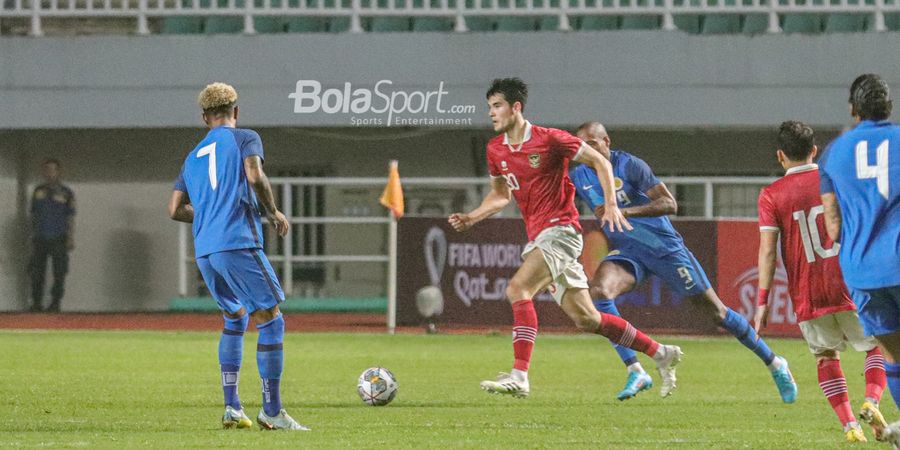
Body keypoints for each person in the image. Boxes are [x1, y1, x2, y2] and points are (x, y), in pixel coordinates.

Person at [448, 78, 683, 399]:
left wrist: (612, 204)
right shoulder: (496, 150)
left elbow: (599, 160)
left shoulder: (550, 139)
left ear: (516, 108)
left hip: (561, 231)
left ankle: (519, 375)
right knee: (588, 318)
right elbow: (500, 196)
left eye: (497, 106)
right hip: (540, 236)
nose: (491, 113)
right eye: (489, 107)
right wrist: (472, 217)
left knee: (518, 288)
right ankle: (659, 353)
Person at [570, 122, 798, 403]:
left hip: (666, 250)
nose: (585, 151)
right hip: (629, 252)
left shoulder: (630, 165)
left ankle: (775, 362)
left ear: (606, 141)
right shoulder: (579, 174)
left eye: (591, 144)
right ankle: (636, 369)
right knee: (599, 293)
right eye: (580, 147)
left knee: (717, 313)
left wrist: (625, 211)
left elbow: (669, 204)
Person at [168, 82, 307, 431]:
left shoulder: (192, 155)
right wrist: (273, 211)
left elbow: (174, 209)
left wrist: (208, 213)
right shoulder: (245, 136)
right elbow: (254, 174)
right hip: (237, 242)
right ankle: (272, 411)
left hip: (205, 250)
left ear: (204, 118)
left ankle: (232, 407)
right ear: (236, 111)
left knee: (235, 317)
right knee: (271, 319)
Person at [756, 121, 886, 442]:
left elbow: (769, 251)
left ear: (780, 156)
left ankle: (849, 425)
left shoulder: (771, 195)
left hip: (809, 292)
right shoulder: (838, 180)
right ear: (814, 150)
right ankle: (871, 399)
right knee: (877, 346)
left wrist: (762, 302)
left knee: (826, 356)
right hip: (850, 283)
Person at [819, 74, 900, 444]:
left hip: (863, 272)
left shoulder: (834, 153)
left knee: (895, 356)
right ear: (890, 108)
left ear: (854, 111)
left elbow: (833, 227)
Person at [29, 158, 75, 313]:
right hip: (40, 237)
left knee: (59, 272)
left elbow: (70, 216)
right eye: (47, 169)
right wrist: (32, 235)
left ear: (58, 172)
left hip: (59, 238)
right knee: (36, 272)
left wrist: (70, 237)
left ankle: (55, 303)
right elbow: (34, 215)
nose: (50, 173)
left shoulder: (66, 193)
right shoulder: (38, 191)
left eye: (53, 169)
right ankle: (36, 303)